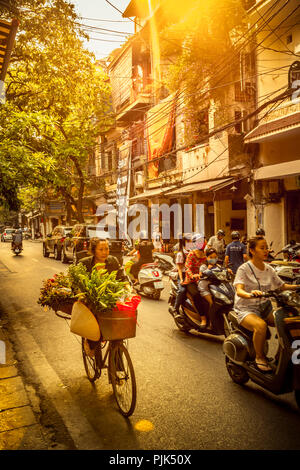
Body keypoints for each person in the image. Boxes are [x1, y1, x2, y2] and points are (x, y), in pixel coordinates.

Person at [234, 236, 299, 373]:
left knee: (287, 322)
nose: (266, 251)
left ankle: (282, 355)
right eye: (262, 248)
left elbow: (281, 286)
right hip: (246, 308)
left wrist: (297, 287)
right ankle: (260, 357)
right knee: (261, 326)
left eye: (266, 248)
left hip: (265, 307)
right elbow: (239, 290)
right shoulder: (244, 269)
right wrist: (250, 293)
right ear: (252, 250)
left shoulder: (269, 269)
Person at [80, 238, 129, 357]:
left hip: (111, 298)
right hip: (93, 300)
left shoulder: (113, 261)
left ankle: (117, 366)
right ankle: (91, 342)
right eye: (101, 249)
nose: (105, 252)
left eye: (107, 249)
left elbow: (122, 277)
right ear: (94, 250)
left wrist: (128, 289)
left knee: (118, 331)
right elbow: (79, 283)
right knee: (96, 329)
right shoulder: (85, 263)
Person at [184, 236, 208, 327]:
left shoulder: (206, 254)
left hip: (204, 279)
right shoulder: (191, 254)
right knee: (197, 295)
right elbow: (187, 268)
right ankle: (203, 318)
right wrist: (192, 275)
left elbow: (212, 263)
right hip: (192, 280)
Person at [169, 237, 189, 319]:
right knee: (182, 290)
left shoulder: (193, 252)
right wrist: (181, 279)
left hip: (192, 275)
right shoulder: (180, 254)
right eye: (189, 241)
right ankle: (175, 308)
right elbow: (180, 269)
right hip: (183, 275)